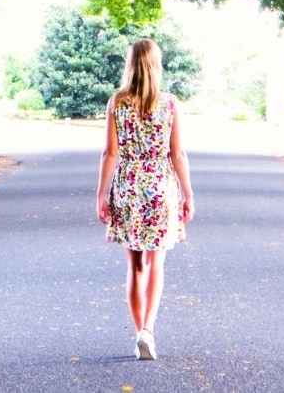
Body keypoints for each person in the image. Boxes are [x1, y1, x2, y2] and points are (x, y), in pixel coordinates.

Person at [96, 38, 194, 361]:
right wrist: (188, 193)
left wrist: (101, 193)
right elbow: (176, 153)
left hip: (127, 186)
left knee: (134, 265)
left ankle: (139, 331)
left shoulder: (117, 103)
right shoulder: (169, 104)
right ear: (155, 65)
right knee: (156, 262)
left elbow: (111, 153)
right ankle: (148, 331)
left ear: (130, 65)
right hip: (160, 187)